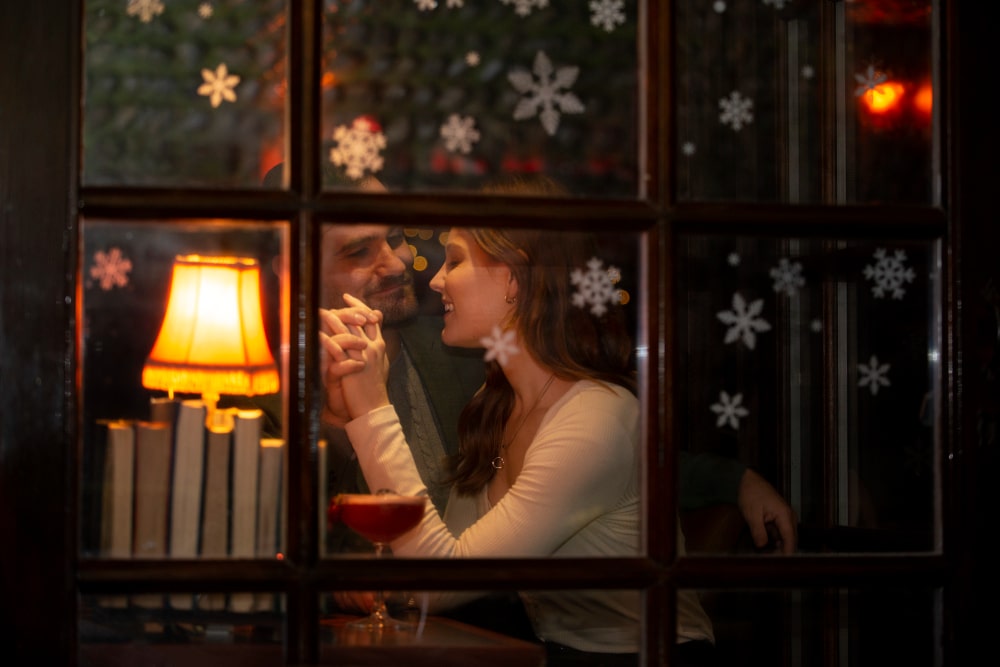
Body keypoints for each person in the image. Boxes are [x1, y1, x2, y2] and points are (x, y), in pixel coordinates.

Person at [319, 186, 718, 664]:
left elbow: (440, 586)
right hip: (548, 654)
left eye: (455, 261)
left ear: (513, 278)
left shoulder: (597, 418)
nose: (436, 281)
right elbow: (441, 559)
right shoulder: (494, 404)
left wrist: (372, 409)